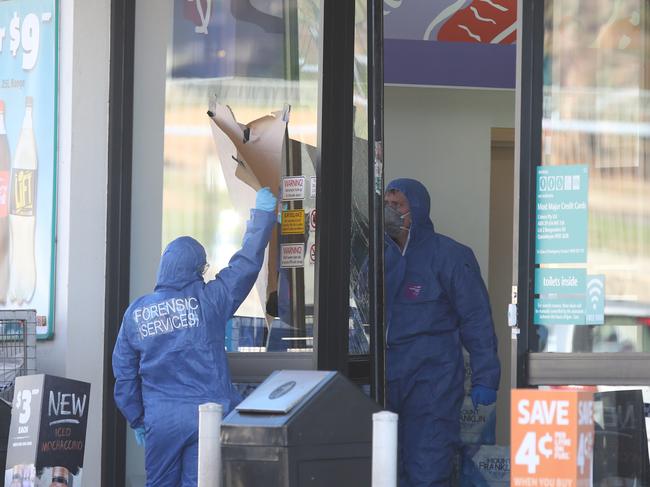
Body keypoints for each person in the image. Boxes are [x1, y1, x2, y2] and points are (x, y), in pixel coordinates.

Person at [112, 187, 277, 487]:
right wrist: (263, 216)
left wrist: (138, 418)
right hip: (207, 417)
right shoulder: (209, 300)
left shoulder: (136, 313)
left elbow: (124, 376)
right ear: (196, 269)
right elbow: (246, 265)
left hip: (160, 421)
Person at [383, 178, 500, 487]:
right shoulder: (377, 258)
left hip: (431, 382)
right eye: (387, 205)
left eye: (398, 205)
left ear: (417, 209)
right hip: (385, 381)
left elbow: (476, 319)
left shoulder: (449, 255)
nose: (390, 211)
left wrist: (486, 377)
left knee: (428, 467)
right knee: (386, 469)